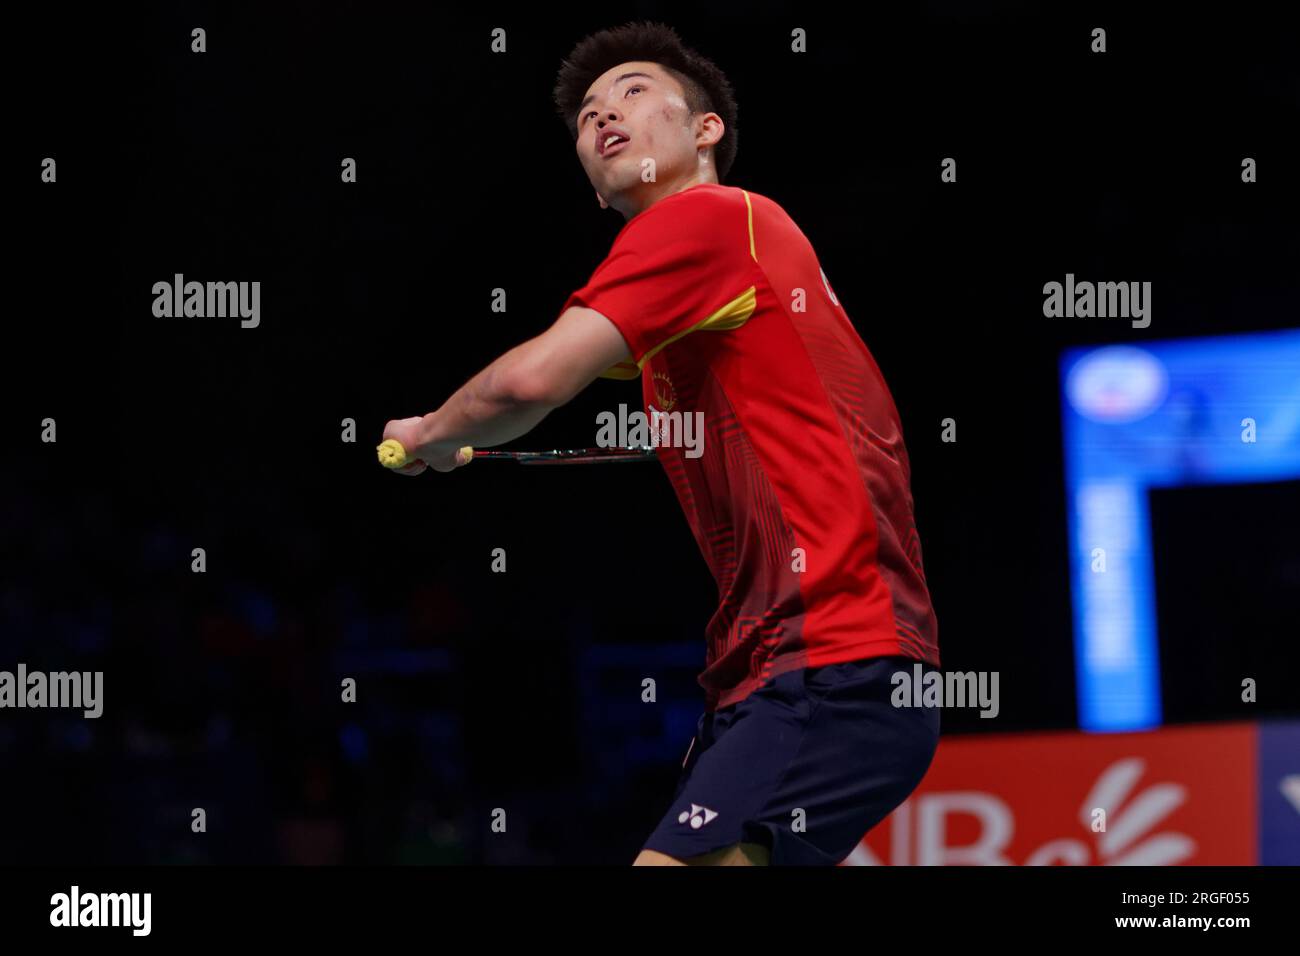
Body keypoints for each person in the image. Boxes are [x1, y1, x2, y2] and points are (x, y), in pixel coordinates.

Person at [382, 21, 941, 866]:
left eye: (634, 92)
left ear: (705, 128)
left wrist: (431, 431)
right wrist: (478, 433)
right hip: (781, 673)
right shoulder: (707, 275)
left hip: (830, 657)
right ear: (594, 190)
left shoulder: (711, 221)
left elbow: (527, 384)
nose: (603, 115)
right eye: (586, 116)